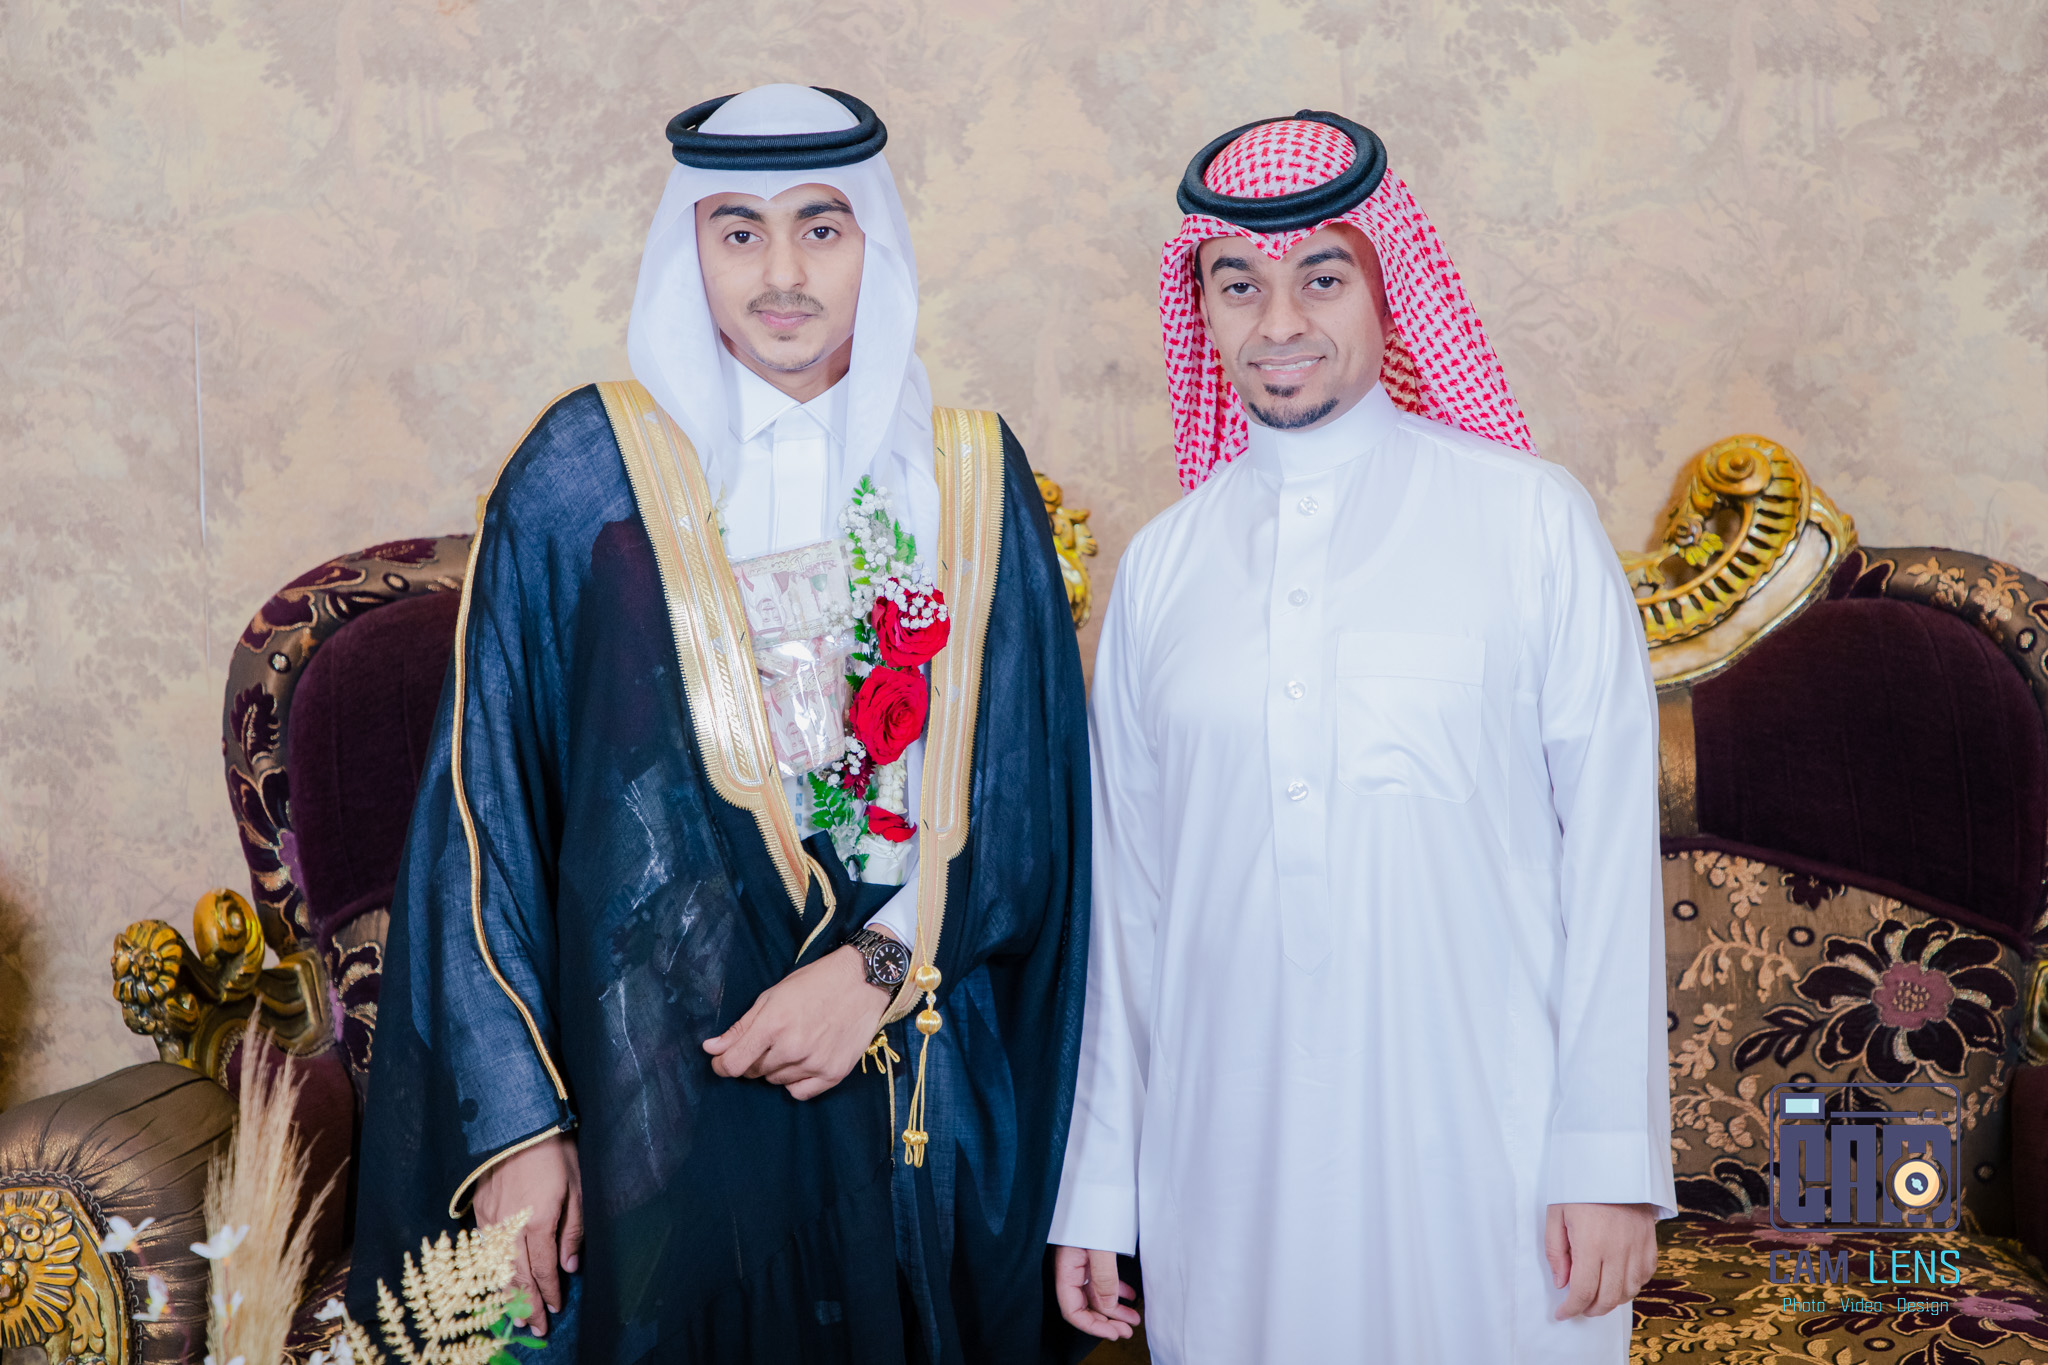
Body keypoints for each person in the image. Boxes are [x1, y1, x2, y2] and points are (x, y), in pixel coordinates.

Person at [347, 84, 1091, 1365]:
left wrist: (873, 973)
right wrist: (518, 1128)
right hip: (653, 1105)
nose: (781, 274)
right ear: (686, 247)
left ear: (874, 247)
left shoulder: (966, 476)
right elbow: (484, 814)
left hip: (905, 1084)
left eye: (821, 228)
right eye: (738, 231)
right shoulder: (583, 473)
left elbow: (1031, 812)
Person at [1048, 111, 1674, 1363]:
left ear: (1388, 291)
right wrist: (1100, 1190)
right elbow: (1129, 911)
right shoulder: (1164, 569)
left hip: (1489, 1157)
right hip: (1225, 1169)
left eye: (1320, 278)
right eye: (1238, 283)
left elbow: (1608, 859)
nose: (1277, 322)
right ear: (1201, 308)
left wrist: (1606, 1158)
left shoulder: (1527, 522)